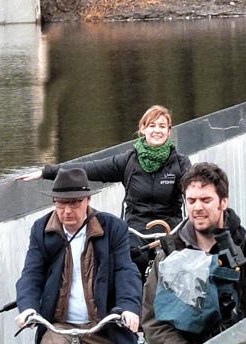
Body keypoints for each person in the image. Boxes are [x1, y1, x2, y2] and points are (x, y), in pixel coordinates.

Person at [14, 166, 142, 344]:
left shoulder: (112, 228)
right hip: (59, 324)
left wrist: (128, 308)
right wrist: (28, 309)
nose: (67, 212)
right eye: (61, 204)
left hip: (101, 325)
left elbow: (125, 271)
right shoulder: (42, 229)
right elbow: (31, 274)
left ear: (88, 201)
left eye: (74, 204)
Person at [141, 162, 246, 344]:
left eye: (206, 199)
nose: (197, 207)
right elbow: (153, 321)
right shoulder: (168, 255)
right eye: (191, 200)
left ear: (223, 201)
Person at [46, 104, 186, 265]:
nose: (157, 130)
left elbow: (194, 185)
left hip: (171, 230)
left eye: (162, 126)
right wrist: (47, 172)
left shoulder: (180, 163)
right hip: (137, 232)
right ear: (143, 129)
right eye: (152, 125)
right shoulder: (129, 161)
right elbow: (89, 168)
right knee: (126, 262)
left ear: (169, 131)